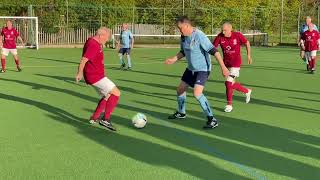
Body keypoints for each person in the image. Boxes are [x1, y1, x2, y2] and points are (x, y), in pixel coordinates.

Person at [164, 16, 229, 129]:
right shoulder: (183, 37)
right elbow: (183, 52)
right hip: (190, 69)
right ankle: (181, 113)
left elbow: (215, 52)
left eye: (181, 28)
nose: (180, 31)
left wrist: (223, 67)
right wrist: (174, 59)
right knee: (180, 90)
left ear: (187, 25)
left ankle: (212, 119)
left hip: (203, 69)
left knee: (197, 93)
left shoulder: (199, 35)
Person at [76, 27, 120, 131]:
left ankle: (94, 118)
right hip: (95, 76)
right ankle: (106, 119)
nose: (107, 39)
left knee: (107, 95)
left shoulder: (92, 41)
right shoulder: (93, 45)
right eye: (106, 37)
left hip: (96, 74)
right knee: (116, 93)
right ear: (101, 35)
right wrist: (79, 73)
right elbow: (84, 60)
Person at [213, 22, 252, 113]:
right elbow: (212, 48)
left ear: (230, 29)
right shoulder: (220, 36)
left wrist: (249, 55)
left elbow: (247, 43)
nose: (223, 32)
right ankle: (247, 91)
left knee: (228, 83)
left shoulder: (237, 35)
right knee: (230, 84)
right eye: (222, 30)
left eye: (225, 30)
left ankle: (229, 104)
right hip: (226, 64)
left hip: (236, 64)